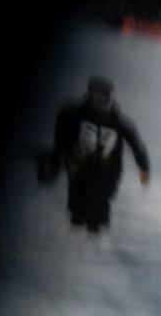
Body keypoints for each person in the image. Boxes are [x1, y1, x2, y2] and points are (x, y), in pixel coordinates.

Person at [52, 76, 150, 233]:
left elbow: (137, 148)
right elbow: (60, 136)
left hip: (108, 171)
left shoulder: (121, 124)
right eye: (98, 96)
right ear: (90, 95)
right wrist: (58, 156)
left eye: (106, 97)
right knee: (77, 202)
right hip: (79, 165)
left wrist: (144, 170)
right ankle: (78, 220)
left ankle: (95, 225)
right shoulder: (72, 114)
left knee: (100, 205)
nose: (102, 101)